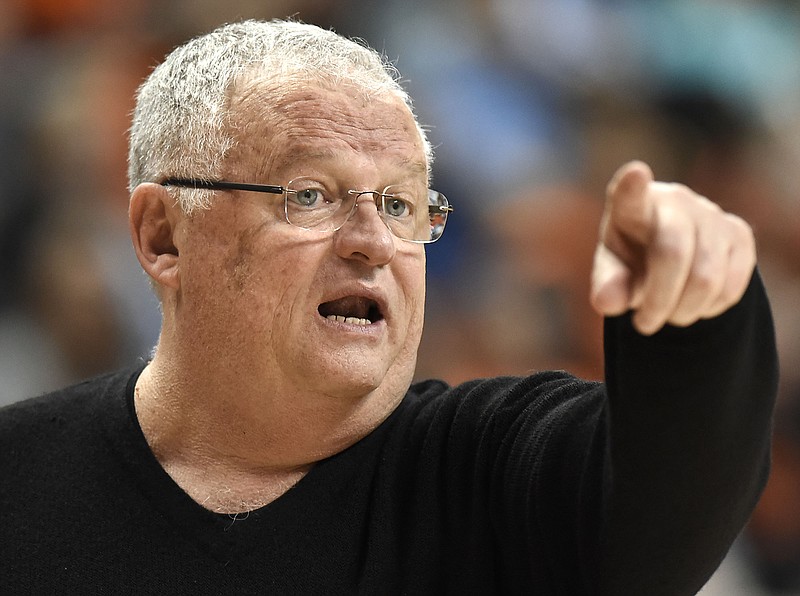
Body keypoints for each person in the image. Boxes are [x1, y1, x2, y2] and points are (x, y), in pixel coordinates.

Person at [0, 19, 778, 595]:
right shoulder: (19, 478)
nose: (375, 241)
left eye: (404, 205)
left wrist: (694, 321)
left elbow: (666, 500)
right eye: (311, 195)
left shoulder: (487, 467)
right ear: (164, 235)